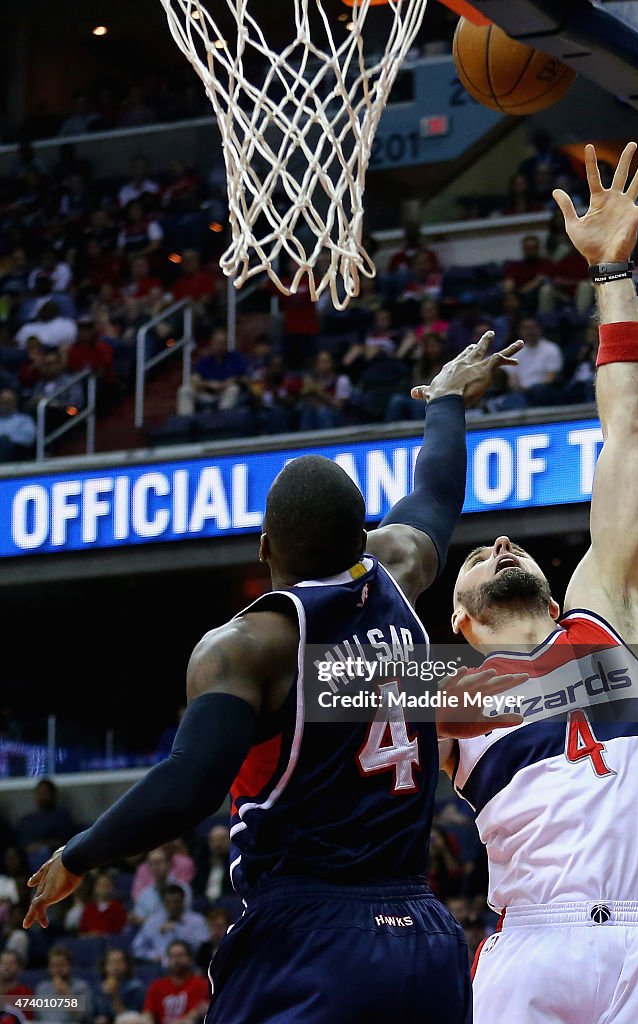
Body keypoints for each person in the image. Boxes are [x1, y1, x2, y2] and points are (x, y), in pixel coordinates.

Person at [23, 334, 527, 1024]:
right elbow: (434, 491)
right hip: (423, 932)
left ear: (264, 548)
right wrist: (444, 400)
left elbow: (189, 784)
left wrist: (79, 854)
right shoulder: (399, 574)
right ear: (362, 542)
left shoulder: (248, 646)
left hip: (308, 932)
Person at [442, 142, 638, 1022]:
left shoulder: (611, 613)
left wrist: (613, 271)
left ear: (560, 598)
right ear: (460, 619)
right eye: (478, 553)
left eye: (508, 545)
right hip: (532, 945)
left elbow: (629, 436)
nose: (502, 540)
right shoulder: (445, 694)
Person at [131, 886, 209, 967]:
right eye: (168, 902)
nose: (172, 906)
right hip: (158, 967)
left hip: (188, 966)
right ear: (163, 903)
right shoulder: (153, 922)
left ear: (183, 901)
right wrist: (153, 955)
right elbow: (136, 948)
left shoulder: (197, 921)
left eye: (176, 902)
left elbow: (203, 948)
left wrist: (178, 929)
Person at [142, 941, 208, 1024]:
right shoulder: (157, 985)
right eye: (171, 956)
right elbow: (147, 1013)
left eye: (180, 955)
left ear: (190, 958)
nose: (176, 960)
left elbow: (200, 1010)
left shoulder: (201, 984)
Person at [130, 849, 192, 926]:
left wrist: (147, 921)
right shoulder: (144, 894)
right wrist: (159, 925)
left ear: (169, 864)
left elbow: (186, 916)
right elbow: (138, 919)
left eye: (159, 862)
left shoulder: (183, 888)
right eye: (151, 864)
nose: (155, 867)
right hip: (150, 935)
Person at [34, 945, 93, 1024]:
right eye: (53, 966)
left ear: (69, 966)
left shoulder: (81, 987)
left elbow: (83, 1019)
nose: (57, 970)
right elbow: (38, 1017)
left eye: (61, 965)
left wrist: (67, 996)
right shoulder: (42, 988)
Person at [93, 947, 145, 1024]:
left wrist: (114, 996)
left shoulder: (135, 987)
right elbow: (88, 1014)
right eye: (111, 962)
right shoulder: (98, 988)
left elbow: (132, 1017)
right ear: (104, 966)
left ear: (127, 966)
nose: (115, 967)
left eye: (119, 962)